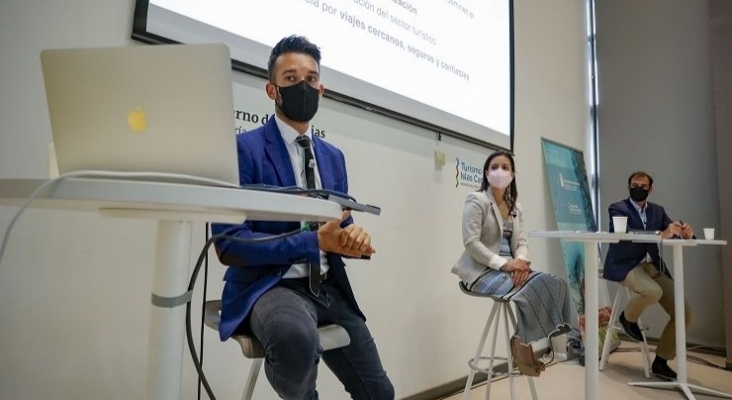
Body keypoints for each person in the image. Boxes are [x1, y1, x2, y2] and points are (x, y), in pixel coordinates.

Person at [210, 35, 394, 400]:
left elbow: (337, 225)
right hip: (271, 286)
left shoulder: (333, 157)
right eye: (291, 79)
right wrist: (312, 242)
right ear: (271, 89)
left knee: (380, 394)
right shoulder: (242, 150)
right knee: (295, 340)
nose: (303, 87)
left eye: (311, 79)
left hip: (327, 288)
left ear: (321, 89)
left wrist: (352, 238)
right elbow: (228, 244)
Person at [452, 151, 572, 377]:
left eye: (505, 167)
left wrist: (521, 263)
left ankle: (521, 337)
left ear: (513, 174)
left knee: (557, 283)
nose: (500, 171)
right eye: (494, 167)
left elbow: (522, 242)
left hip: (513, 268)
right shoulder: (476, 200)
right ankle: (522, 344)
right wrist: (506, 265)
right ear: (487, 174)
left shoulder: (515, 206)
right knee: (539, 284)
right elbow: (471, 243)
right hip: (482, 271)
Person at [603, 171, 694, 381]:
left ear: (650, 189)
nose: (639, 189)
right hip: (626, 265)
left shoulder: (657, 211)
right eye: (634, 185)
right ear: (628, 187)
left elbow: (670, 230)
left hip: (652, 266)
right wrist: (658, 234)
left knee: (685, 313)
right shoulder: (618, 208)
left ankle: (661, 361)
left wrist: (685, 233)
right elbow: (626, 233)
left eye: (643, 186)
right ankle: (627, 318)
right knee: (652, 291)